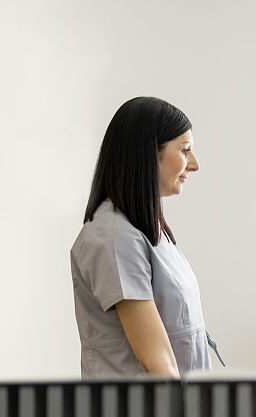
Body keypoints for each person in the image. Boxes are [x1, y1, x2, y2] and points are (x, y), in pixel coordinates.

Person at [71, 96, 221, 378]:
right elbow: (159, 363)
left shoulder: (144, 231)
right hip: (149, 405)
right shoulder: (114, 238)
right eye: (185, 150)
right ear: (148, 154)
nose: (194, 164)